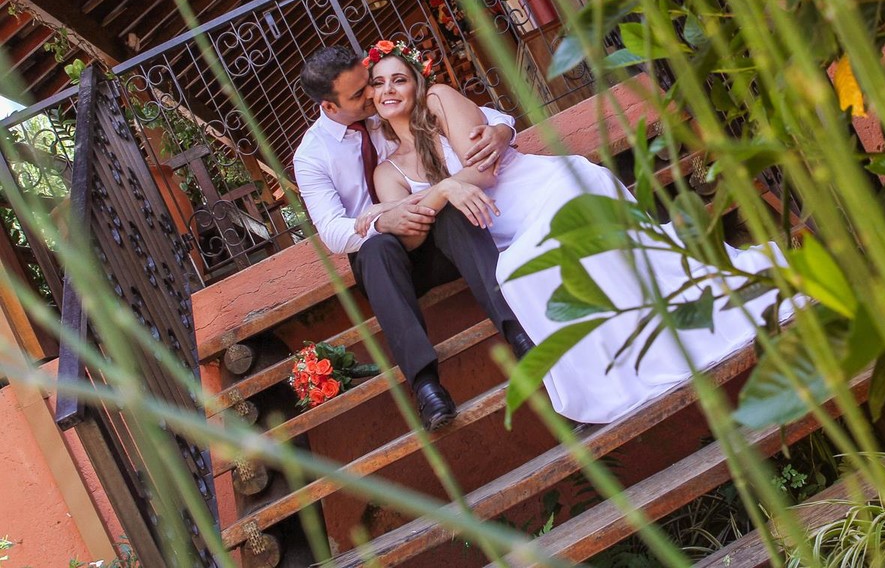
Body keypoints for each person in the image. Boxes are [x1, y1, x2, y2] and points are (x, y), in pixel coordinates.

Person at [358, 39, 800, 425]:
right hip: (506, 227)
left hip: (541, 189)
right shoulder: (387, 171)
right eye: (378, 84)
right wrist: (440, 193)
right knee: (515, 272)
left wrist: (441, 189)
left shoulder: (439, 99)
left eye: (399, 80)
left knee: (542, 254)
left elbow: (485, 171)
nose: (388, 90)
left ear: (417, 83)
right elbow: (412, 234)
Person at [294, 45, 535, 431]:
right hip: (387, 257)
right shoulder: (311, 156)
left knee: (451, 208)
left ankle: (520, 336)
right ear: (329, 106)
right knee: (376, 249)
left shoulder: (384, 104)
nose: (372, 94)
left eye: (369, 83)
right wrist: (383, 221)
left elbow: (465, 116)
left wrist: (502, 129)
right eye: (359, 93)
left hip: (443, 237)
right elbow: (333, 232)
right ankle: (426, 386)